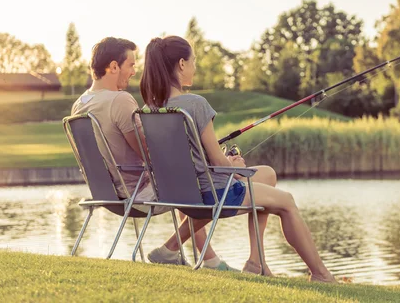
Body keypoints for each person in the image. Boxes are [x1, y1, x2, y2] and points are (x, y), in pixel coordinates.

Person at [140, 35, 336, 282]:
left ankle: (257, 262)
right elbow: (218, 162)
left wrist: (222, 164)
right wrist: (232, 165)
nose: (194, 67)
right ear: (181, 64)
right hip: (213, 193)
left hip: (182, 193)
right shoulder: (196, 104)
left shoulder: (150, 109)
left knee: (266, 175)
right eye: (193, 61)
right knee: (287, 202)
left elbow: (186, 158)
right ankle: (321, 274)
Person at [71, 37, 235, 270]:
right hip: (140, 195)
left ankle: (208, 259)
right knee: (199, 181)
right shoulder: (120, 100)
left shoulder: (79, 104)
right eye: (130, 65)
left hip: (108, 193)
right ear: (114, 66)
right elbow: (154, 155)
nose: (134, 71)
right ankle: (189, 255)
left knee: (181, 182)